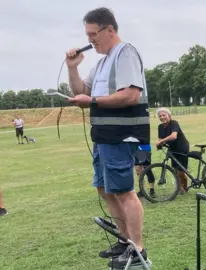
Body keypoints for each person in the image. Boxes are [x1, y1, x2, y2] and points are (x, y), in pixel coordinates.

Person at [65, 7, 150, 268]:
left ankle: (138, 248)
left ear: (109, 30)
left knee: (125, 192)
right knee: (104, 188)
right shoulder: (102, 62)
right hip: (103, 138)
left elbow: (130, 95)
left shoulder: (126, 54)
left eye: (93, 34)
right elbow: (82, 90)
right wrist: (73, 69)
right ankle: (125, 241)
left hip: (122, 137)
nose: (89, 40)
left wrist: (91, 100)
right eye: (87, 35)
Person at [155, 108, 190, 194]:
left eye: (164, 115)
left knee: (181, 170)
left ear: (169, 116)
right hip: (172, 149)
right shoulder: (160, 127)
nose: (162, 117)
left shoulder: (174, 123)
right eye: (160, 116)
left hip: (182, 147)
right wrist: (158, 143)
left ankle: (184, 187)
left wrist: (161, 141)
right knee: (175, 169)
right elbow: (160, 139)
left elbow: (173, 136)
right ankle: (180, 187)